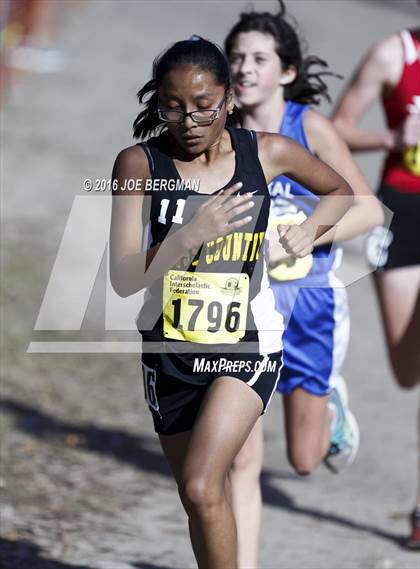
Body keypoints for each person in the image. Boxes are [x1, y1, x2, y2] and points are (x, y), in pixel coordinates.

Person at [109, 36, 353, 568]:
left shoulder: (267, 152)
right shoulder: (138, 164)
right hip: (169, 352)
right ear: (158, 103)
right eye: (173, 107)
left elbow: (340, 192)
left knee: (202, 485)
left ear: (228, 100)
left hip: (248, 345)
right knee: (198, 500)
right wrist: (189, 234)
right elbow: (125, 277)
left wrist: (309, 232)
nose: (189, 120)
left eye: (204, 106)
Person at [224, 2, 384, 565]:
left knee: (303, 460)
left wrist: (305, 234)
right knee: (242, 461)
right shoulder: (220, 134)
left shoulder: (308, 128)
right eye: (237, 57)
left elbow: (367, 211)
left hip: (311, 307)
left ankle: (330, 404)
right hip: (244, 314)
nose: (244, 68)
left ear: (285, 72)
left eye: (259, 59)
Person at [332, 27, 420, 550]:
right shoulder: (396, 53)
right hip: (405, 215)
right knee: (408, 373)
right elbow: (336, 128)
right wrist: (393, 139)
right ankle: (325, 392)